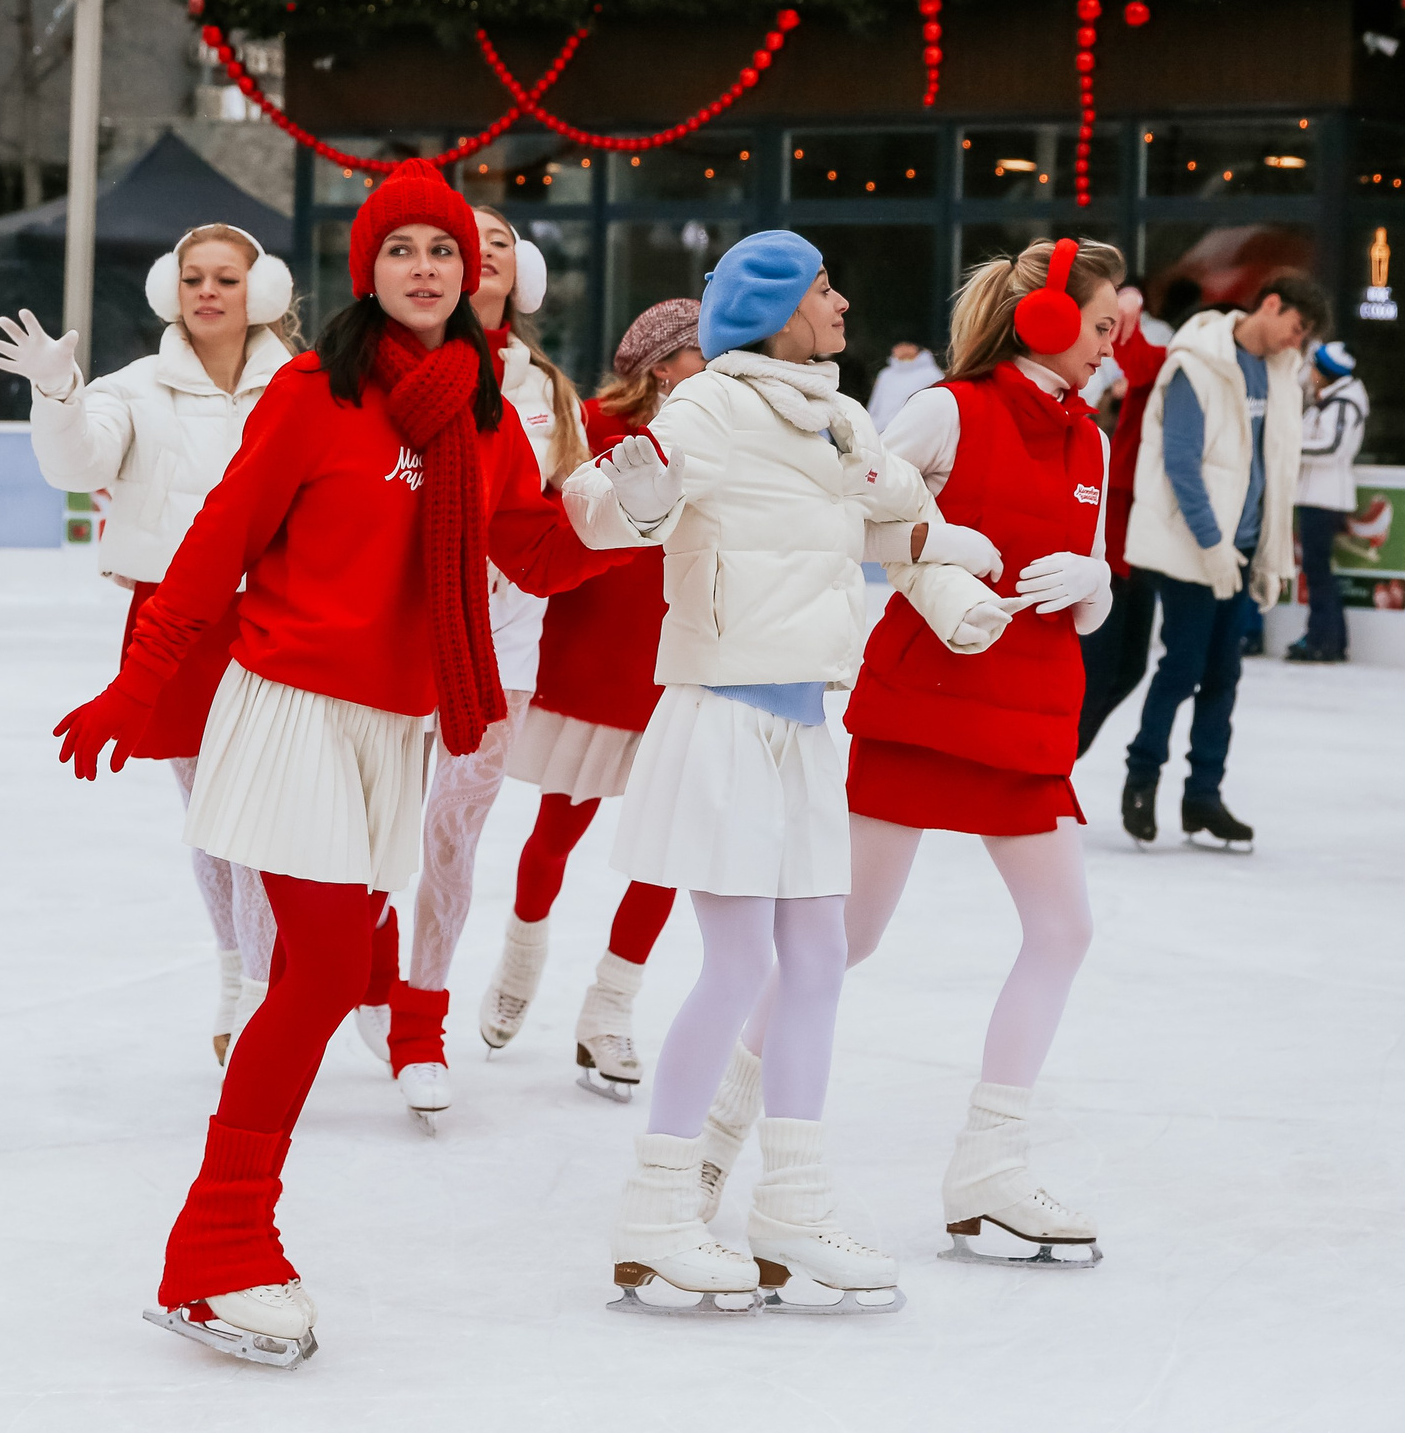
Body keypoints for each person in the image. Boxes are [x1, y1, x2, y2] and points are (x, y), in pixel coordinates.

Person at [49, 160, 622, 1367]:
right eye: (405, 249)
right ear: (369, 270)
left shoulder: (481, 409)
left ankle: (219, 1246)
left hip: (393, 724)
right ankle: (216, 1250)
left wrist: (622, 516)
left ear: (475, 279)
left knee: (314, 975)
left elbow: (529, 551)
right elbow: (216, 543)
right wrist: (138, 683)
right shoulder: (315, 390)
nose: (428, 270)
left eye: (447, 252)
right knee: (311, 978)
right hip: (294, 706)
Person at [564, 230, 1009, 1314]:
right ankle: (657, 1211)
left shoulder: (841, 419)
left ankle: (790, 1207)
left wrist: (960, 602)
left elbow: (899, 530)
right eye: (821, 288)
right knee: (733, 963)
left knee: (814, 958)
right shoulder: (709, 407)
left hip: (808, 724)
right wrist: (639, 493)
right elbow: (608, 512)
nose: (843, 302)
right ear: (772, 307)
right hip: (721, 719)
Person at [703, 238, 1122, 1273]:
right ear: (1050, 323)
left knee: (1063, 928)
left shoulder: (1092, 441)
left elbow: (1093, 574)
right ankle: (706, 1147)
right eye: (1105, 328)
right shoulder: (945, 410)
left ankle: (989, 1164)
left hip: (1027, 714)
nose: (1116, 351)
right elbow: (843, 512)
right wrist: (935, 544)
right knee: (843, 940)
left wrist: (1094, 581)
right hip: (925, 705)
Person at [0, 225, 296, 1064]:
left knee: (259, 821)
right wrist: (57, 396)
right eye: (193, 277)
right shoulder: (134, 387)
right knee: (211, 820)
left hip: (277, 615)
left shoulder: (302, 389)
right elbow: (76, 461)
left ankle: (265, 991)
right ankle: (237, 973)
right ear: (170, 289)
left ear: (259, 291)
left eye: (225, 278)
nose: (207, 292)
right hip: (176, 620)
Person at [382, 204, 591, 1126]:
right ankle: (363, 972)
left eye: (498, 241)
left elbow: (568, 520)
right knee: (372, 832)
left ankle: (421, 1023)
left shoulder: (548, 389)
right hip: (388, 638)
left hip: (501, 646)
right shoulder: (381, 370)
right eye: (465, 241)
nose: (482, 252)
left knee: (452, 837)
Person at [479, 298, 705, 1099]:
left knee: (667, 851)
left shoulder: (724, 429)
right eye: (697, 354)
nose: (711, 366)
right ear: (661, 365)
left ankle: (610, 1007)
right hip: (592, 652)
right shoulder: (594, 424)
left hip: (680, 664)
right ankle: (519, 958)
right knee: (557, 826)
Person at [1121, 275, 1326, 851]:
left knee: (1224, 677)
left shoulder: (1280, 373)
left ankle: (1203, 796)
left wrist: (1269, 555)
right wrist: (1211, 546)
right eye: (1296, 326)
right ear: (1270, 303)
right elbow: (1181, 463)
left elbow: (1275, 468)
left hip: (1241, 550)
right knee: (1181, 668)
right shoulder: (1198, 362)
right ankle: (1142, 779)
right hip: (1192, 549)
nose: (1296, 341)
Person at [1076, 287, 1169, 756]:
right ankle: (1048, 771)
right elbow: (1138, 359)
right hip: (1117, 533)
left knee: (1128, 669)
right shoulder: (1168, 367)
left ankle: (1057, 765)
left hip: (1148, 536)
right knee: (1100, 670)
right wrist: (1127, 315)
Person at [1288, 340, 1367, 665]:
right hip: (1315, 496)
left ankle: (1324, 640)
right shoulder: (1330, 401)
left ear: (1325, 373)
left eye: (1314, 368)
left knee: (1319, 572)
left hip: (1325, 498)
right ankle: (1329, 639)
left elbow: (1333, 447)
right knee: (1319, 571)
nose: (1310, 373)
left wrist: (1291, 446)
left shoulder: (1343, 405)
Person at [866, 339, 944, 430]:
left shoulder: (931, 374)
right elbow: (875, 405)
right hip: (883, 432)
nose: (901, 349)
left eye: (905, 345)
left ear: (915, 347)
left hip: (916, 430)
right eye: (898, 346)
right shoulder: (886, 374)